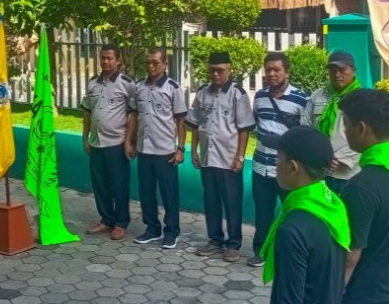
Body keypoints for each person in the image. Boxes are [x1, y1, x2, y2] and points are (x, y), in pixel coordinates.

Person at [264, 126, 349, 304]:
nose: (275, 163)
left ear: (293, 167)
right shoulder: (332, 206)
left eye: (278, 157)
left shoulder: (293, 229)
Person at [187, 51, 254, 262]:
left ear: (229, 69)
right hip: (208, 158)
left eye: (221, 70)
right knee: (211, 201)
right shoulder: (202, 93)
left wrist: (240, 157)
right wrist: (194, 149)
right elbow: (195, 124)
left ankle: (233, 243)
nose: (216, 74)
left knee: (232, 202)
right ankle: (214, 239)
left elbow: (244, 129)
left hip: (229, 159)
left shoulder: (238, 94)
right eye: (212, 70)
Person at [248, 52, 308, 268]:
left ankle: (291, 253)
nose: (272, 74)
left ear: (287, 72)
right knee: (262, 213)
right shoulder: (260, 97)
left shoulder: (301, 99)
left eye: (277, 70)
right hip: (261, 167)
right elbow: (256, 124)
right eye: (268, 70)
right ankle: (261, 251)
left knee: (291, 213)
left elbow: (304, 134)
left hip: (287, 172)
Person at [338, 89, 389, 304]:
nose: (344, 131)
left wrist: (329, 300)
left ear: (361, 128)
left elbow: (350, 258)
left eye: (345, 124)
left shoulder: (362, 187)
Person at [128, 47, 187, 249]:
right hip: (144, 149)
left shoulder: (173, 88)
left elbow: (181, 120)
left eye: (155, 62)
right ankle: (152, 229)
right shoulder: (139, 87)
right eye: (148, 63)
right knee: (146, 192)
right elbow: (134, 116)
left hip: (165, 151)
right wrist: (130, 141)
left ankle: (171, 232)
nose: (151, 66)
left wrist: (180, 148)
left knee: (169, 194)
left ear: (165, 64)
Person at [81, 43, 137, 241]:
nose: (105, 61)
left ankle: (121, 223)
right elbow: (87, 111)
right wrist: (85, 137)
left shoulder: (127, 84)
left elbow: (133, 114)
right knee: (100, 184)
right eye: (103, 58)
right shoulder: (92, 83)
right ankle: (106, 219)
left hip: (116, 143)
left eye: (109, 58)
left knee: (119, 184)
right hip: (96, 143)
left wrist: (129, 142)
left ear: (118, 60)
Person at [301, 50, 361, 194]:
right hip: (319, 172)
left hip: (349, 174)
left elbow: (366, 136)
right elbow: (306, 127)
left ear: (353, 70)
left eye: (342, 70)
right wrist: (318, 154)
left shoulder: (362, 99)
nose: (337, 75)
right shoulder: (318, 96)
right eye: (332, 70)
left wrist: (340, 159)